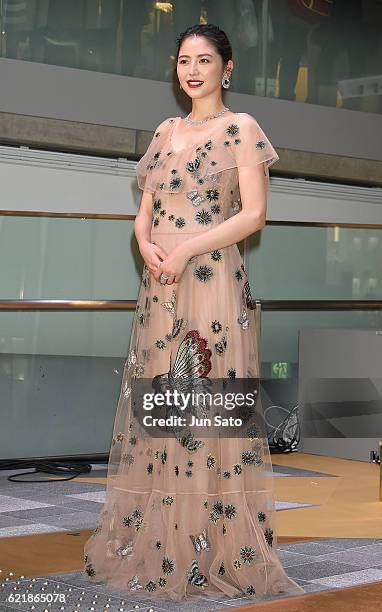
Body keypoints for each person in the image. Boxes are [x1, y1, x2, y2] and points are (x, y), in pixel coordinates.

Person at [83, 23, 305, 605]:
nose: (192, 69)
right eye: (184, 60)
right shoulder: (166, 129)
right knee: (164, 400)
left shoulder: (242, 129)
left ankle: (212, 540)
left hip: (209, 281)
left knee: (209, 399)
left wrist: (183, 248)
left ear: (226, 67)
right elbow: (147, 206)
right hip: (162, 283)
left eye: (205, 60)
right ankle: (162, 535)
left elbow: (254, 215)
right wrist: (147, 243)